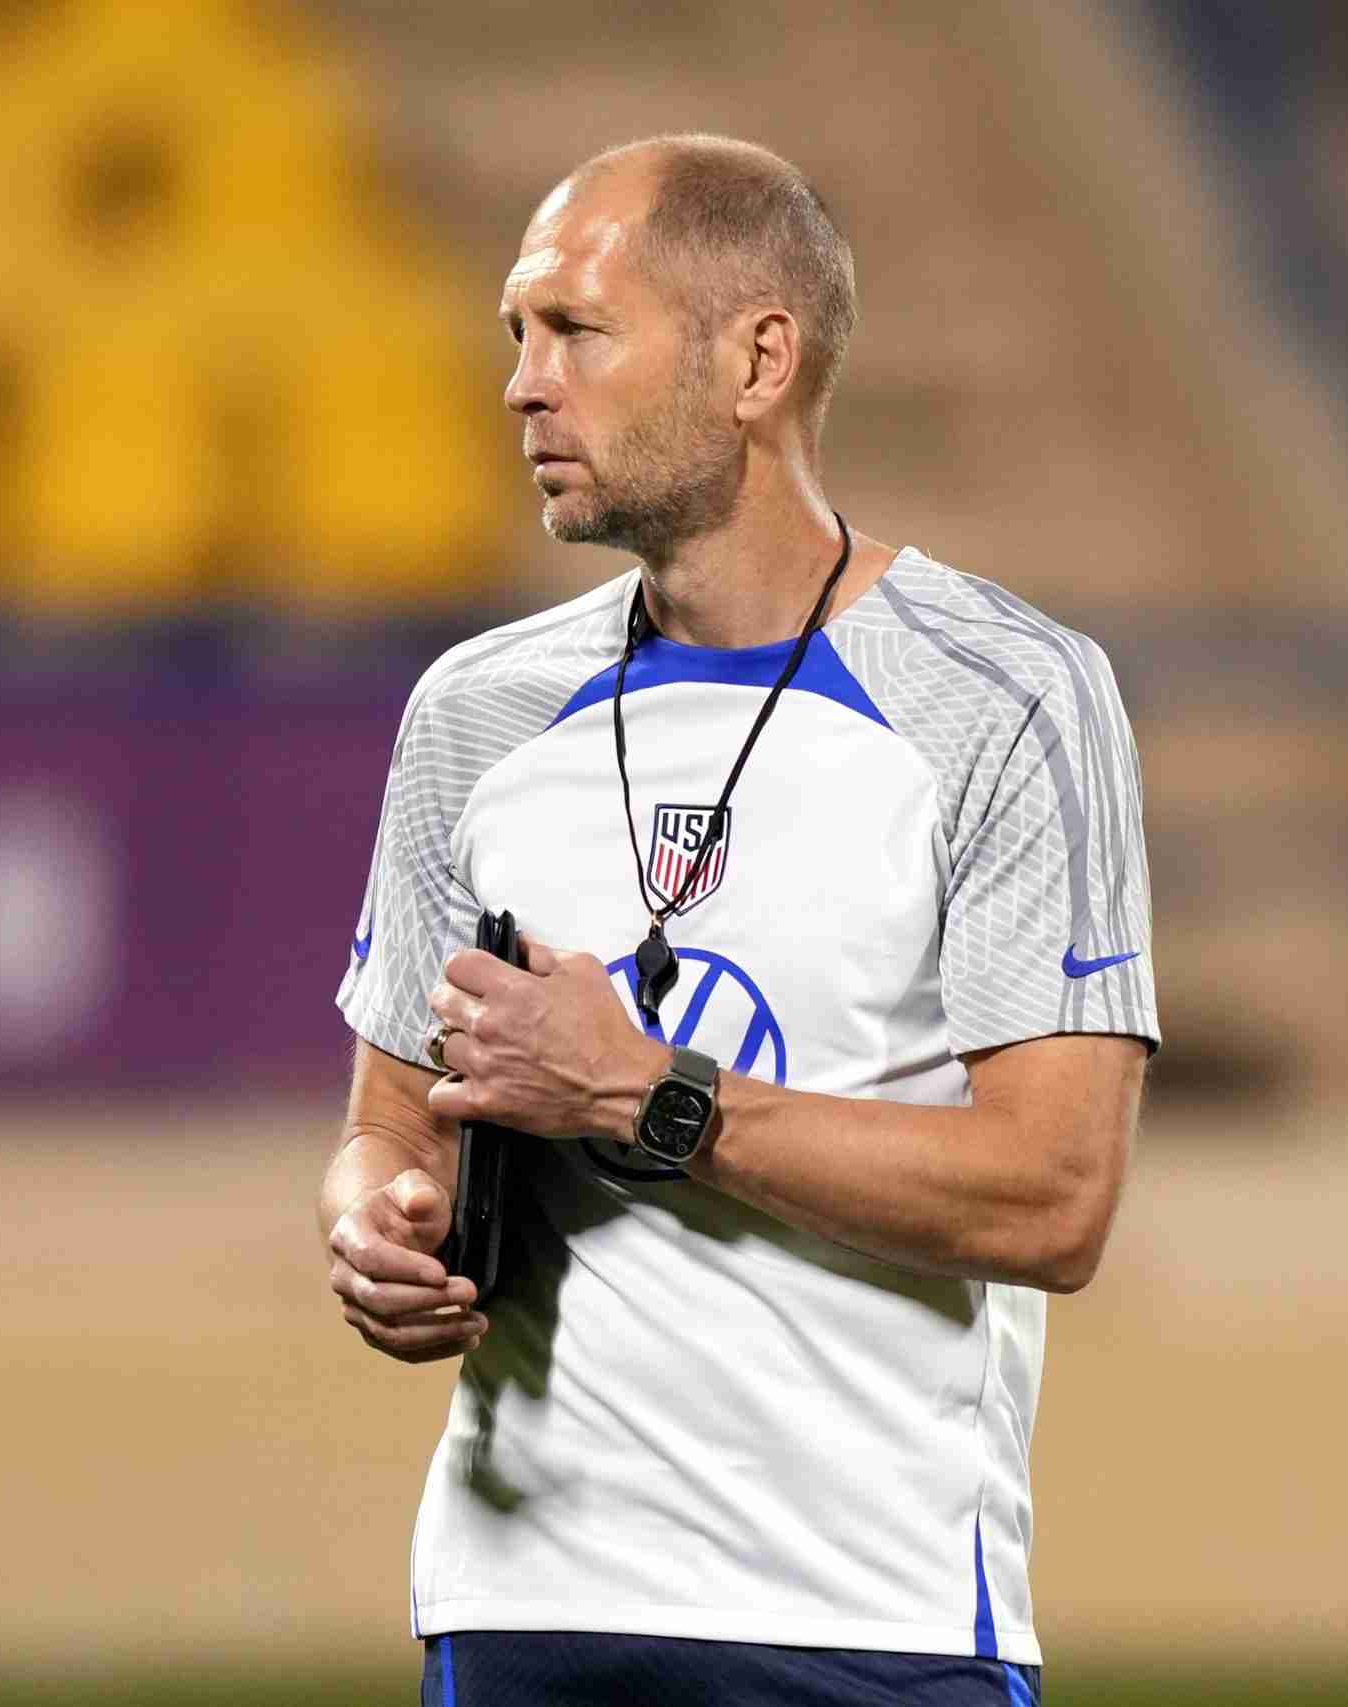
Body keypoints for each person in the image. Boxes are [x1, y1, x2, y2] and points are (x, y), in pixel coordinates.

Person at [322, 135, 1158, 1706]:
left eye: (576, 330)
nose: (522, 384)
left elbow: (1054, 1200)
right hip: (522, 1608)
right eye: (516, 333)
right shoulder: (474, 713)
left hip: (873, 1623)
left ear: (758, 361)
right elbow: (388, 1124)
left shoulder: (1009, 699)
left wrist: (648, 1092)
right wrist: (378, 1221)